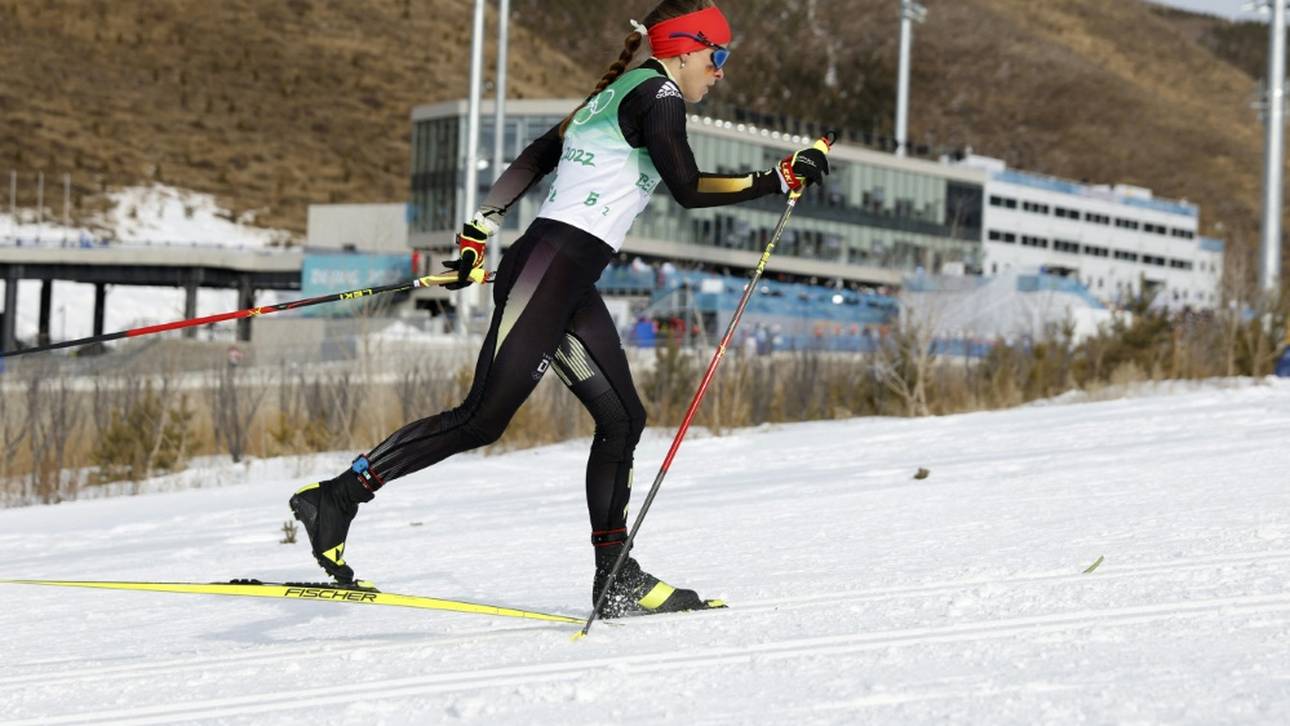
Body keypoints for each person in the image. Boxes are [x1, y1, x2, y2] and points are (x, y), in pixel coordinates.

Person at [288, 0, 829, 618]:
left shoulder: (617, 92)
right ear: (684, 49)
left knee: (623, 419)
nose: (720, 70)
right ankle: (338, 496)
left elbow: (535, 156)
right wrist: (776, 178)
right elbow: (688, 187)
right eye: (717, 55)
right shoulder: (660, 96)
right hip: (549, 273)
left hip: (562, 278)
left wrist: (477, 230)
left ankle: (615, 576)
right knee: (481, 419)